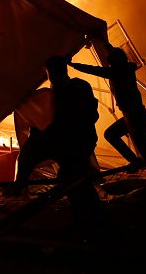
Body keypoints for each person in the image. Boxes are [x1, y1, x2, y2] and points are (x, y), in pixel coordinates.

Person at [11, 56, 105, 236]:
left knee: (73, 179)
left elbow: (64, 123)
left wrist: (44, 135)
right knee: (76, 179)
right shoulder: (81, 86)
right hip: (83, 142)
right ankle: (91, 222)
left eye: (49, 72)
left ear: (51, 72)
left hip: (71, 144)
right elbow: (93, 115)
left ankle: (93, 225)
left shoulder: (62, 92)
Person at [69, 44, 146, 180]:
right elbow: (112, 57)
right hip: (133, 114)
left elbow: (93, 70)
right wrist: (104, 43)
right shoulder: (128, 67)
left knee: (145, 150)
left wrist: (72, 65)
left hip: (133, 116)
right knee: (112, 135)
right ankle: (138, 163)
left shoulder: (116, 72)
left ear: (113, 62)